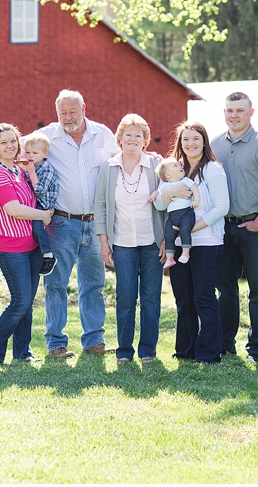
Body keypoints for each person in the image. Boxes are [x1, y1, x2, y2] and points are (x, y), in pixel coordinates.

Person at [34, 89, 119, 359]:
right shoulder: (47, 136)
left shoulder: (103, 134)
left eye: (72, 111)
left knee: (93, 284)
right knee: (56, 284)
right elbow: (12, 148)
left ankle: (94, 340)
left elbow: (121, 162)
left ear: (84, 107)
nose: (68, 118)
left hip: (96, 224)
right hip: (61, 223)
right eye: (62, 113)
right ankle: (56, 343)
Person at [211, 92, 258, 362]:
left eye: (240, 110)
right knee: (226, 289)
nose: (234, 115)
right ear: (224, 112)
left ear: (250, 113)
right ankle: (225, 344)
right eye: (230, 110)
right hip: (223, 228)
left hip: (254, 226)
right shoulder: (215, 144)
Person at [157, 121, 230, 364]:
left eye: (195, 139)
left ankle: (209, 353)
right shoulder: (173, 169)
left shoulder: (213, 169)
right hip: (178, 245)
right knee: (183, 298)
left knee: (204, 297)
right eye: (186, 139)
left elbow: (222, 207)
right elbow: (159, 203)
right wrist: (170, 193)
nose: (190, 144)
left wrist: (189, 229)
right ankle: (185, 350)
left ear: (204, 141)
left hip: (207, 242)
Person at [96, 114, 165, 363]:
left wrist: (166, 238)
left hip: (152, 243)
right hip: (122, 244)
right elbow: (101, 205)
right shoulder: (109, 167)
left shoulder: (156, 167)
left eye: (138, 135)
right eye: (128, 134)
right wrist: (104, 241)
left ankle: (148, 351)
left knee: (151, 298)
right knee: (125, 298)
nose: (133, 139)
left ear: (145, 140)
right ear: (120, 139)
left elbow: (166, 205)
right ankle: (124, 351)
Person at [0, 123, 54, 364]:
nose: (10, 145)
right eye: (4, 142)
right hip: (10, 247)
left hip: (32, 246)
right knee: (20, 300)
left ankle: (22, 352)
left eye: (13, 140)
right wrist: (43, 216)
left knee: (27, 303)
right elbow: (12, 208)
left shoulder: (20, 172)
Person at [20, 132, 59, 276]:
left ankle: (48, 255)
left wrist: (31, 173)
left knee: (37, 226)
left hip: (44, 204)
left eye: (35, 153)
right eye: (28, 152)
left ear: (45, 153)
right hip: (35, 203)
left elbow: (39, 190)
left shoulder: (47, 169)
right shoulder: (33, 167)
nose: (30, 156)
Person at [154, 157, 200, 269]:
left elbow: (195, 189)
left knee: (185, 230)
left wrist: (196, 200)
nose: (180, 166)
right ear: (168, 175)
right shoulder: (165, 185)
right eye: (175, 166)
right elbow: (158, 192)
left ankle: (186, 252)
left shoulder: (185, 180)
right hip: (172, 216)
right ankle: (170, 258)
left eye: (179, 165)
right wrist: (152, 196)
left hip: (186, 213)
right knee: (168, 235)